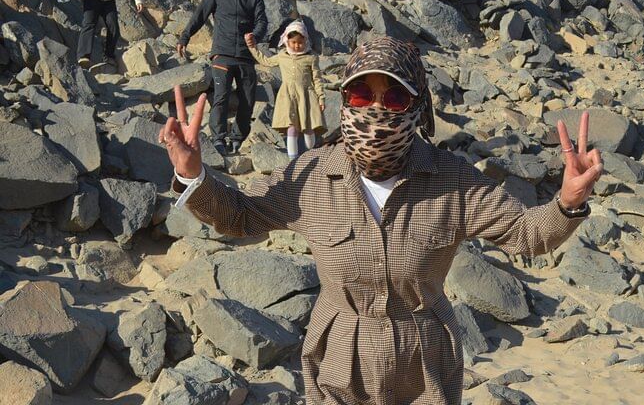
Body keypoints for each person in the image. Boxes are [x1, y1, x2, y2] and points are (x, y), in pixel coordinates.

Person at [159, 36, 603, 404]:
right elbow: (240, 216)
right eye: (360, 95)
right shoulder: (311, 175)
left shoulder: (453, 179)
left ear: (417, 107)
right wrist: (193, 174)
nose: (375, 109)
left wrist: (567, 202)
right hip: (338, 362)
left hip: (425, 367)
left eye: (394, 98)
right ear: (343, 102)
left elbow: (526, 234)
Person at [177, 0, 268, 156]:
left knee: (248, 100)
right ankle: (218, 139)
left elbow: (262, 21)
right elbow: (200, 15)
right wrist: (185, 37)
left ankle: (237, 139)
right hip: (222, 54)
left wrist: (255, 35)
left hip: (246, 56)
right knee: (221, 97)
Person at [245, 20, 326, 160]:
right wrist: (252, 47)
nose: (297, 45)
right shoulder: (282, 56)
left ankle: (311, 155)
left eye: (300, 42)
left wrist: (321, 98)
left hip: (306, 96)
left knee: (308, 129)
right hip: (287, 97)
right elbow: (265, 61)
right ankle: (292, 160)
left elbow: (317, 79)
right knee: (291, 129)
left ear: (305, 41)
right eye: (293, 42)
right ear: (287, 41)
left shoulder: (311, 58)